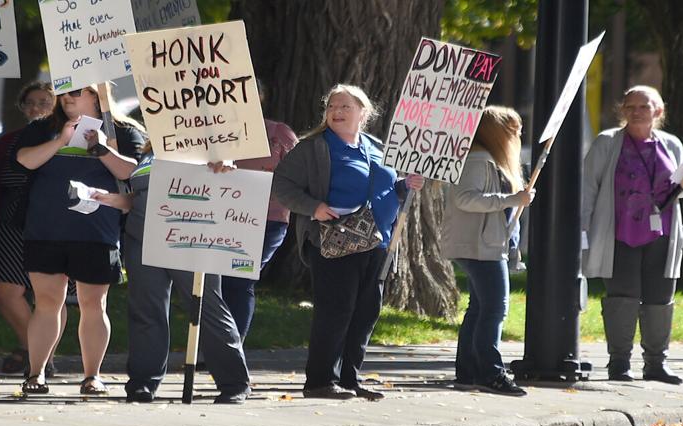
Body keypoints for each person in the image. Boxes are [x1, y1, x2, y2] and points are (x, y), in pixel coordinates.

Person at [271, 84, 423, 401]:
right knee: (336, 309)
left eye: (345, 107)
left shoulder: (378, 147)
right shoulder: (313, 148)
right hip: (333, 240)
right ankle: (319, 381)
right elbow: (281, 183)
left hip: (377, 242)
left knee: (366, 310)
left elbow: (388, 189)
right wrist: (313, 207)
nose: (337, 112)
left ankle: (349, 378)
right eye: (332, 107)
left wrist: (407, 184)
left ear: (363, 114)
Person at [10, 83, 145, 397]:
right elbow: (25, 160)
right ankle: (36, 373)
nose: (67, 96)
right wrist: (62, 140)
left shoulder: (123, 131)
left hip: (97, 231)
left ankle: (92, 376)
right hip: (45, 229)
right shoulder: (43, 128)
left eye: (77, 90)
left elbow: (132, 173)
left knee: (94, 304)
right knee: (46, 303)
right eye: (64, 90)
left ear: (97, 94)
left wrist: (100, 148)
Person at [581, 85, 683, 384]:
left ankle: (656, 364)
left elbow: (679, 189)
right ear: (622, 110)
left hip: (661, 233)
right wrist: (582, 231)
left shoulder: (671, 144)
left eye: (643, 107)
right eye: (630, 106)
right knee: (622, 297)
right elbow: (587, 189)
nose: (635, 112)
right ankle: (619, 363)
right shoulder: (607, 143)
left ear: (658, 112)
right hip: (619, 233)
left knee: (660, 298)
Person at [118, 153, 253, 404]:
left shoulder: (204, 147)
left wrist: (223, 167)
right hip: (142, 237)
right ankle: (142, 382)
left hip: (190, 235)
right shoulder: (148, 153)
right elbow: (137, 198)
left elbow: (230, 178)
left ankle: (234, 382)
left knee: (207, 307)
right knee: (146, 309)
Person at [0, 81, 72, 376]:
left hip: (53, 221)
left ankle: (43, 359)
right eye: (29, 102)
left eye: (44, 102)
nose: (35, 108)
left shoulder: (68, 138)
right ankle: (31, 349)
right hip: (13, 221)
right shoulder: (10, 141)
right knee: (5, 290)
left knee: (51, 295)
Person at [208, 81, 298, 393]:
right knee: (216, 282)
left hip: (266, 220)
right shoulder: (209, 132)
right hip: (217, 216)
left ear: (259, 96)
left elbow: (299, 176)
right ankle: (220, 348)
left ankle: (232, 351)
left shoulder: (278, 133)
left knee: (239, 279)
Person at [441, 105, 533, 395]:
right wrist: (510, 198)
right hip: (479, 244)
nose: (518, 135)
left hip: (481, 241)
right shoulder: (479, 159)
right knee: (494, 308)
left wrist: (514, 198)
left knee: (480, 307)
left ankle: (468, 370)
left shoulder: (484, 158)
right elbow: (466, 199)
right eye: (513, 130)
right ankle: (489, 372)